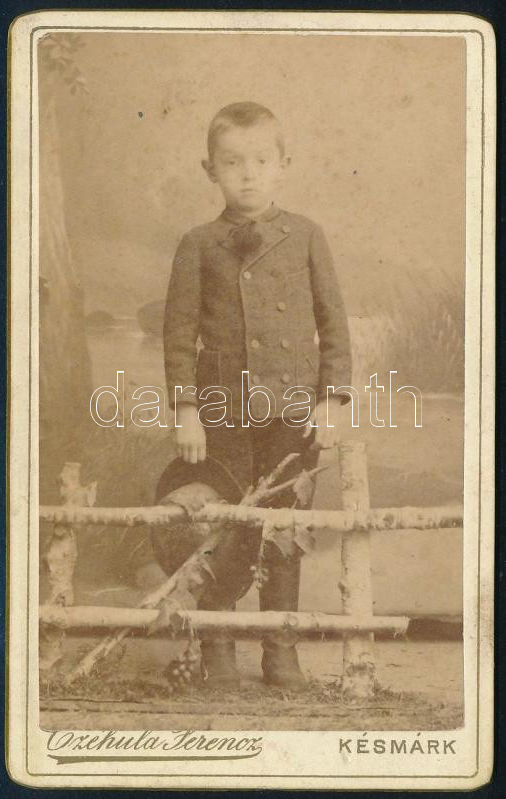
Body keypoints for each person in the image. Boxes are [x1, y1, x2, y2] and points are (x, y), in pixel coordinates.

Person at [154, 101, 351, 690]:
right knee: (222, 524)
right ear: (210, 169)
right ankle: (218, 646)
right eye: (233, 162)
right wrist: (186, 411)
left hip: (292, 411)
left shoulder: (307, 236)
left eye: (261, 161)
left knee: (284, 526)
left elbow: (333, 326)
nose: (248, 174)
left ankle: (280, 649)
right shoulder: (198, 243)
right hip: (222, 412)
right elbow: (178, 335)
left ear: (283, 164)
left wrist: (332, 400)